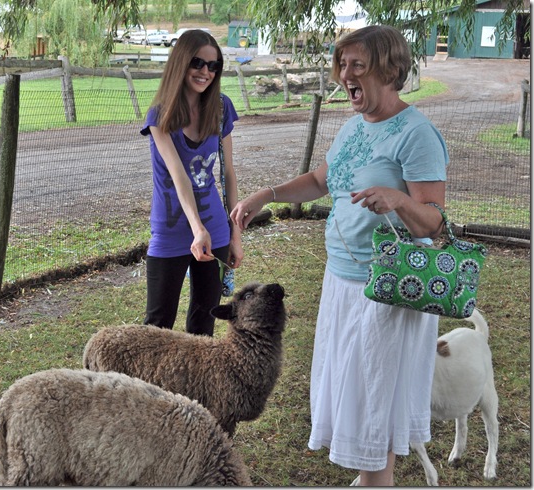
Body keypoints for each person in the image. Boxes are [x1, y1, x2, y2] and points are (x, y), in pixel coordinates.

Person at [230, 25, 449, 486]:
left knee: (374, 400)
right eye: (341, 65)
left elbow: (434, 223)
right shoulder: (353, 126)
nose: (344, 75)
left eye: (357, 65)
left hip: (386, 292)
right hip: (343, 281)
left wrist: (398, 199)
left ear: (389, 70)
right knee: (358, 394)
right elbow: (321, 180)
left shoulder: (417, 134)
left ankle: (375, 480)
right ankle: (373, 477)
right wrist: (265, 195)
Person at [140, 29, 243, 336]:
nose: (205, 72)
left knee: (203, 325)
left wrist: (235, 234)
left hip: (215, 228)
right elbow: (178, 175)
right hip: (172, 228)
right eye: (198, 63)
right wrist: (197, 229)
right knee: (157, 326)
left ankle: (192, 386)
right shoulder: (159, 116)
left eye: (214, 66)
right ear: (181, 62)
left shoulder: (221, 108)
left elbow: (228, 174)